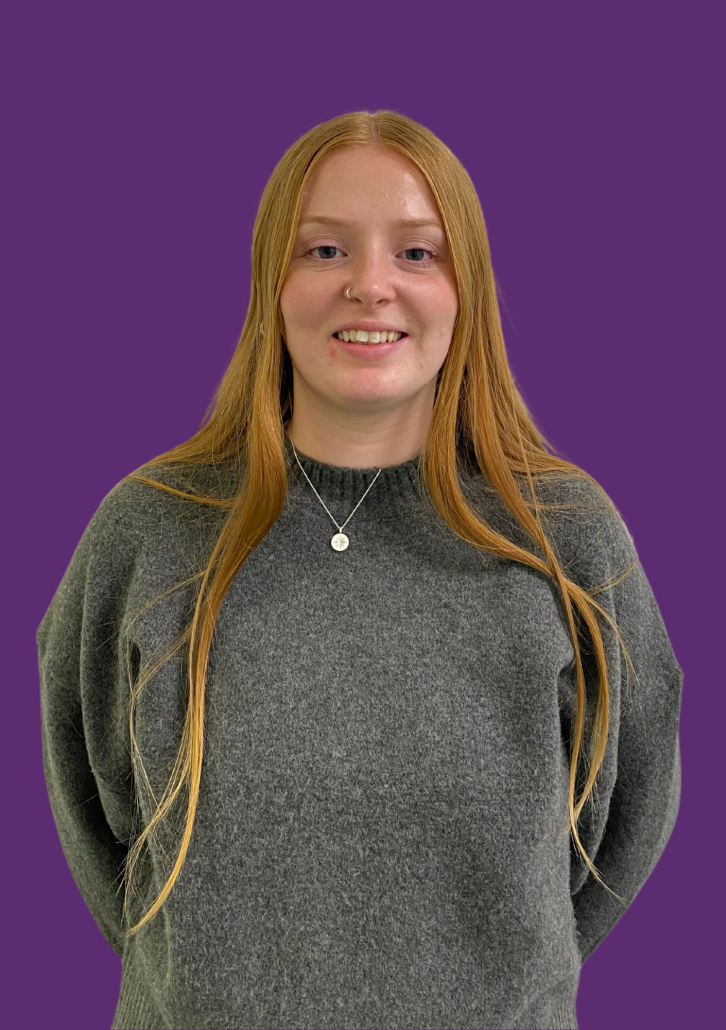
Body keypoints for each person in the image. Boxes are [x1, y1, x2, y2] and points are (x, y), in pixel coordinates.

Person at [37, 110, 683, 1030]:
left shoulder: (568, 539)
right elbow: (95, 811)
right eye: (325, 250)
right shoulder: (149, 531)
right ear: (272, 283)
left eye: (417, 253)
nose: (370, 286)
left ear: (467, 289)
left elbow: (628, 817)